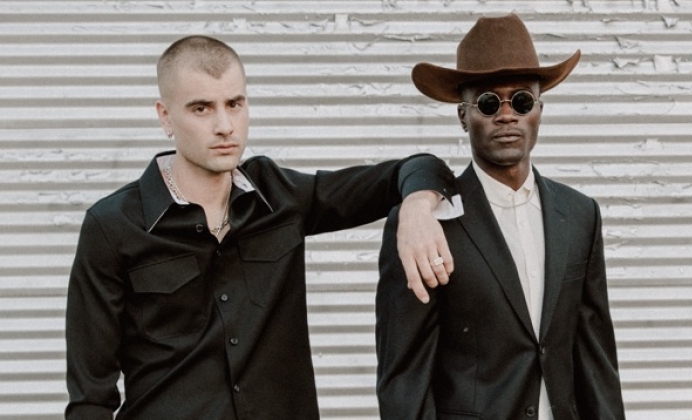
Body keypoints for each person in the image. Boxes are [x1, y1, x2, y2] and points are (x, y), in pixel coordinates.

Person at [65, 35, 462, 419]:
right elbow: (90, 398)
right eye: (201, 109)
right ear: (165, 116)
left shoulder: (280, 197)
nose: (225, 125)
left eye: (235, 104)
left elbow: (417, 168)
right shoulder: (113, 226)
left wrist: (416, 208)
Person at [376, 14, 626, 420]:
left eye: (522, 100)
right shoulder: (425, 224)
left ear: (539, 111)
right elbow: (404, 377)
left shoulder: (580, 214)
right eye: (489, 102)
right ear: (463, 116)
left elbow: (596, 355)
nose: (507, 115)